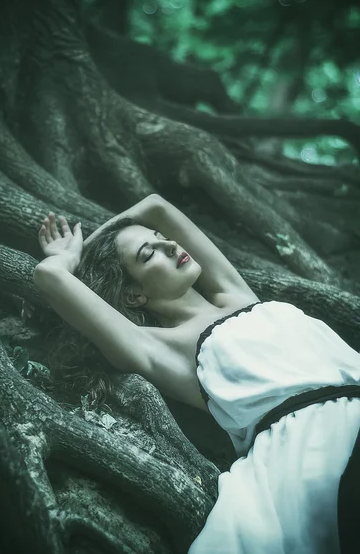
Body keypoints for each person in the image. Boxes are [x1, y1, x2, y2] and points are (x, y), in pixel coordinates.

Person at [32, 194, 360, 554]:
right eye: (149, 253)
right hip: (317, 448)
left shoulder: (237, 296)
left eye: (161, 237)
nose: (170, 245)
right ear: (133, 296)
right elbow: (50, 276)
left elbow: (155, 205)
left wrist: (99, 238)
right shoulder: (162, 349)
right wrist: (70, 255)